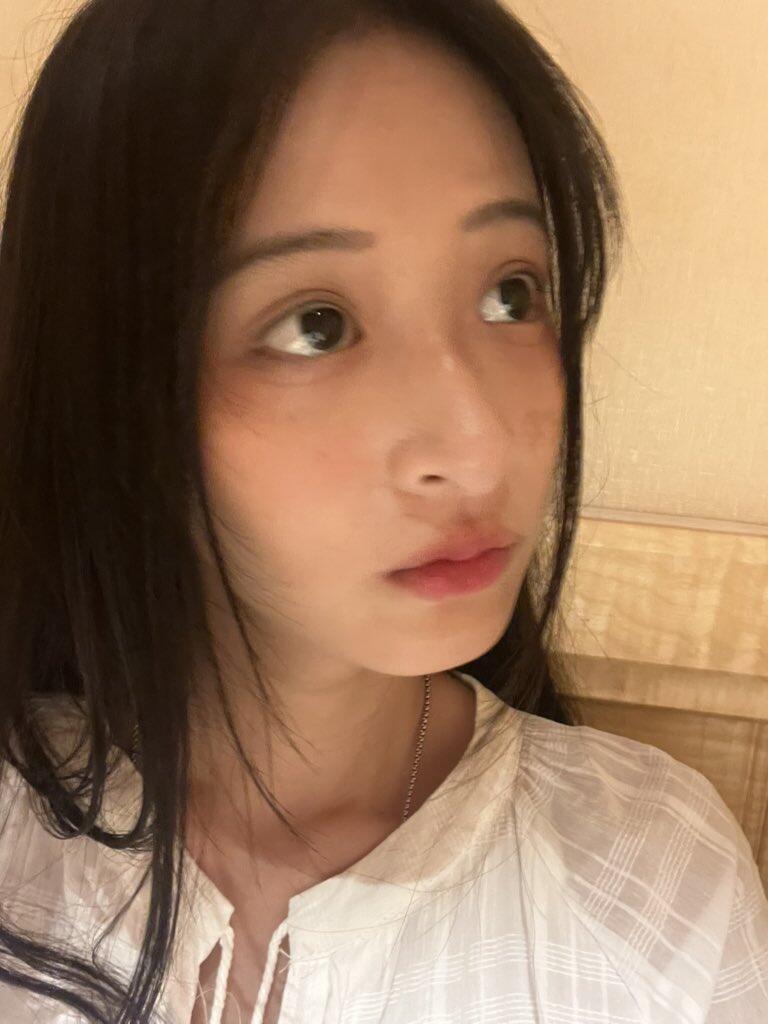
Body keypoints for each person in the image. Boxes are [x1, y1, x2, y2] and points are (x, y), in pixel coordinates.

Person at [0, 1, 765, 1022]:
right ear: (107, 381)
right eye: (317, 325)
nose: (479, 446)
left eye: (511, 295)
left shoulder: (651, 885)